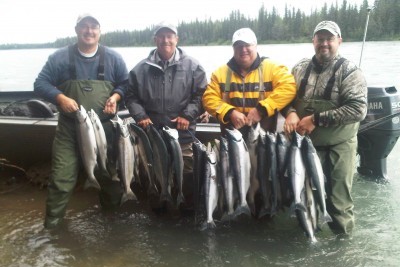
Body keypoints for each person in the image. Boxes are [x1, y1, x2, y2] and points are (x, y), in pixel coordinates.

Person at [34, 13, 129, 229]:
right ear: (77, 30)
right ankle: (52, 227)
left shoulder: (114, 58)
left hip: (104, 130)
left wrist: (115, 97)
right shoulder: (59, 57)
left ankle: (110, 223)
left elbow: (126, 84)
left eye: (93, 27)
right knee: (61, 180)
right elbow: (40, 83)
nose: (89, 31)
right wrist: (60, 97)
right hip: (69, 130)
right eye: (84, 26)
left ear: (99, 31)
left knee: (112, 180)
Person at [283, 21, 368, 235]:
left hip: (338, 147)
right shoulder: (299, 68)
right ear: (313, 41)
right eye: (320, 39)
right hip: (304, 147)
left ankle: (342, 253)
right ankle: (307, 242)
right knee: (303, 199)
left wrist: (316, 119)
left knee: (338, 204)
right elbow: (284, 98)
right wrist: (291, 112)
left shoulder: (350, 71)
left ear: (339, 41)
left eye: (329, 39)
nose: (324, 44)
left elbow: (358, 109)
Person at [125, 20, 208, 205]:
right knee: (154, 170)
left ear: (176, 39)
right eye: (161, 36)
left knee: (186, 171)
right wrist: (141, 116)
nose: (165, 40)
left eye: (169, 36)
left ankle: (186, 211)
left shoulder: (193, 66)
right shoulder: (140, 69)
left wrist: (188, 115)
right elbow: (130, 97)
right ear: (155, 40)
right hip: (152, 133)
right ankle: (159, 210)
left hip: (183, 133)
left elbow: (202, 94)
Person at [202, 27, 296, 135]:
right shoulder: (219, 74)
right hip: (231, 140)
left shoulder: (273, 68)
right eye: (239, 46)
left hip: (264, 141)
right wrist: (229, 112)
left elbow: (289, 87)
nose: (243, 49)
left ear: (256, 46)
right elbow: (208, 98)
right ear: (233, 48)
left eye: (247, 45)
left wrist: (262, 110)